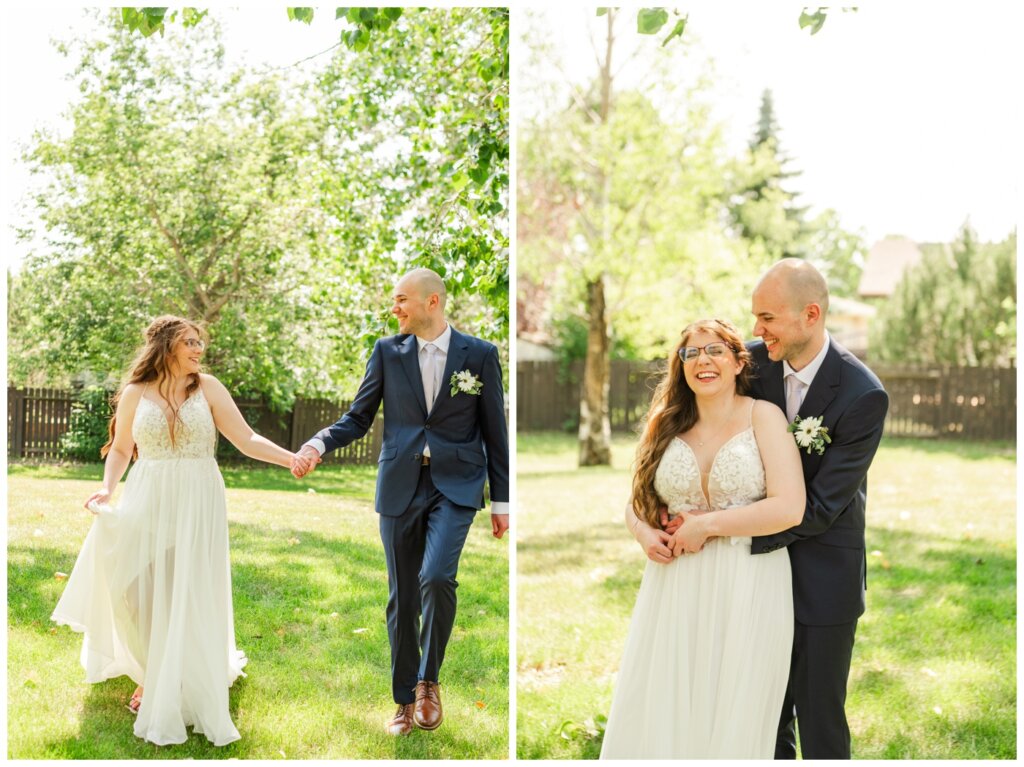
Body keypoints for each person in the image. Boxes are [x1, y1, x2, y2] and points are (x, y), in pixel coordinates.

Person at [52, 316, 311, 746]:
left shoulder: (208, 388)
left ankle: (162, 679)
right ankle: (152, 668)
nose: (199, 349)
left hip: (197, 498)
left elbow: (245, 439)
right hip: (149, 494)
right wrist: (105, 489)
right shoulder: (135, 392)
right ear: (168, 346)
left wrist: (292, 459)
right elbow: (120, 450)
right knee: (134, 585)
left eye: (200, 342)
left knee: (183, 587)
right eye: (191, 342)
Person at [292, 267, 509, 736]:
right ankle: (403, 701)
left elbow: (495, 429)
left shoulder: (481, 355)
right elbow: (358, 416)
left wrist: (503, 502)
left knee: (435, 578)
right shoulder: (387, 352)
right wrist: (317, 444)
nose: (395, 309)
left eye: (401, 300)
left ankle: (428, 681)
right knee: (403, 595)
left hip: (457, 486)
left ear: (433, 302)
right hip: (399, 485)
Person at [600, 318, 806, 759]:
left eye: (714, 350)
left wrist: (705, 525)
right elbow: (636, 503)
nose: (702, 361)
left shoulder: (764, 417)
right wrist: (643, 534)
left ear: (737, 361)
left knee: (738, 705)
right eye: (691, 353)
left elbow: (789, 507)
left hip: (750, 578)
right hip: (675, 585)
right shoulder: (665, 424)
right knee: (668, 701)